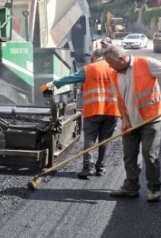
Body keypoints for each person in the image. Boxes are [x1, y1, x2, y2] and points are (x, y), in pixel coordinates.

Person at [102, 45, 161, 202]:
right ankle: (131, 187)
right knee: (129, 156)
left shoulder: (146, 63)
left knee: (149, 155)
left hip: (151, 119)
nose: (109, 66)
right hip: (131, 122)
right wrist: (125, 121)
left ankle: (154, 189)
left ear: (122, 59)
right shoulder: (114, 74)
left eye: (111, 63)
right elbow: (120, 101)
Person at [40, 48, 120, 178]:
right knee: (105, 140)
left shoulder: (89, 69)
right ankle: (101, 168)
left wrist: (51, 85)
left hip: (94, 110)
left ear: (94, 57)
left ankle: (88, 166)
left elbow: (71, 78)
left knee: (90, 139)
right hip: (112, 111)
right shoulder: (115, 68)